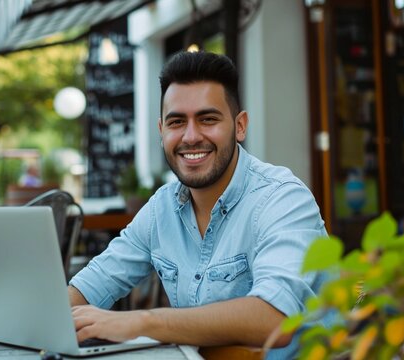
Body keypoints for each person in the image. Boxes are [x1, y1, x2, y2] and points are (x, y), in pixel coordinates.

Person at [68, 51, 330, 358]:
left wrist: (141, 321)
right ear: (161, 130)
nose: (191, 137)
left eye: (207, 119)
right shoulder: (160, 209)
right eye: (177, 122)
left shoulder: (283, 199)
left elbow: (274, 319)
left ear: (240, 125)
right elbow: (89, 287)